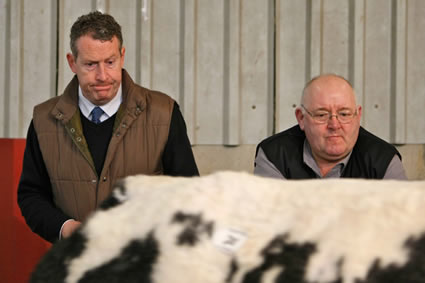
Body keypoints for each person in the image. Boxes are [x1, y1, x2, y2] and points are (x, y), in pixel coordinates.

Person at [17, 11, 199, 243]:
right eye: (91, 64)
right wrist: (65, 228)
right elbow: (31, 194)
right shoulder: (44, 120)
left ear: (122, 56)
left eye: (110, 62)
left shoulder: (165, 113)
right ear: (72, 62)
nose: (103, 76)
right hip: (73, 269)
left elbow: (190, 193)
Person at [254, 74, 407, 180]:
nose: (334, 125)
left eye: (344, 114)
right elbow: (267, 220)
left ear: (358, 116)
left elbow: (402, 221)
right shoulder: (274, 155)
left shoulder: (384, 161)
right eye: (321, 115)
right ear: (301, 118)